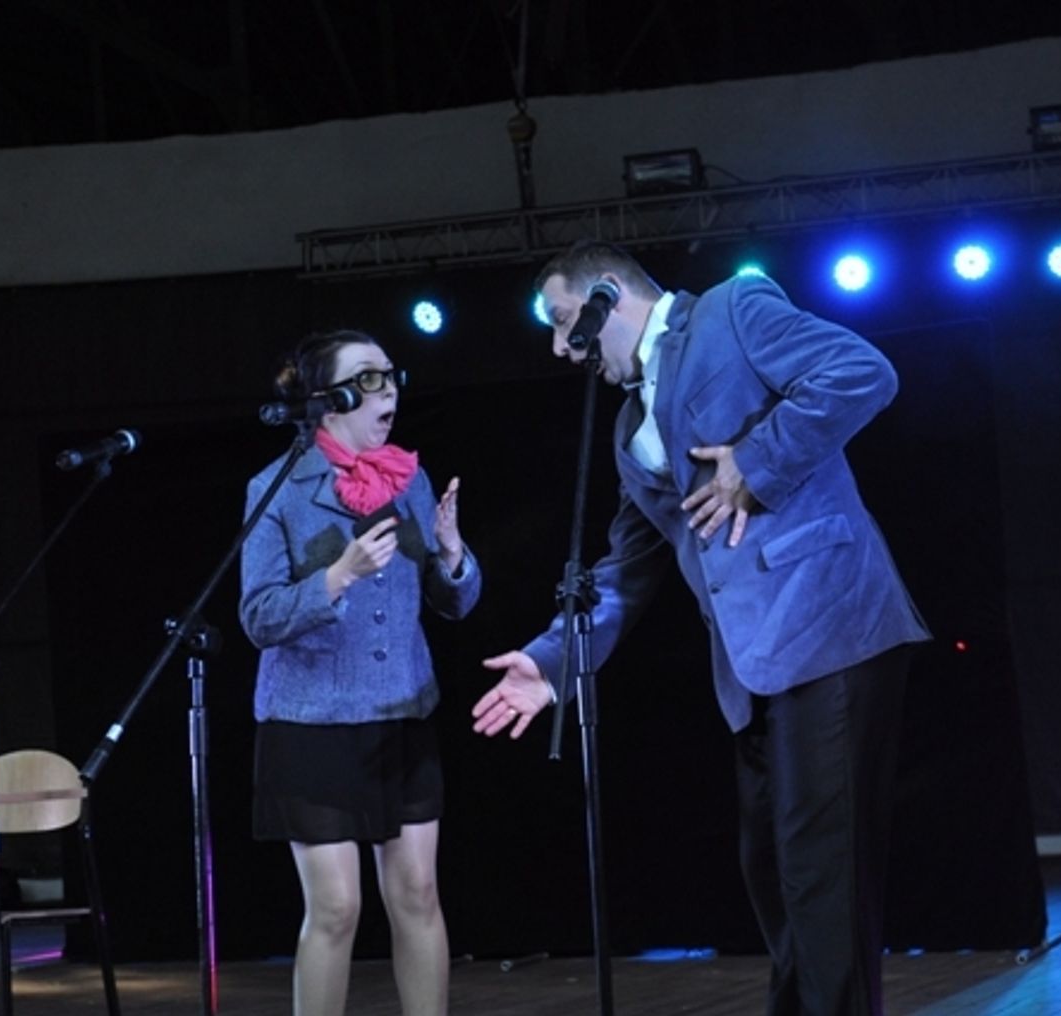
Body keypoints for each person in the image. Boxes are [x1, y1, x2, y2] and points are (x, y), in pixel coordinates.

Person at [471, 241, 930, 1015]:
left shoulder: (730, 312)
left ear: (607, 294)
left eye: (562, 320)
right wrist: (553, 662)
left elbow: (862, 371)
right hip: (753, 666)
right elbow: (626, 567)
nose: (560, 347)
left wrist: (757, 459)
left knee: (822, 872)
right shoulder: (629, 429)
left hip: (830, 623)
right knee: (772, 869)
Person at [240, 329, 480, 1016]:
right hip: (312, 722)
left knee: (418, 894)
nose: (389, 390)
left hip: (402, 713)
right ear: (331, 399)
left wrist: (453, 557)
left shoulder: (411, 480)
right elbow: (258, 616)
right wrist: (336, 577)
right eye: (369, 378)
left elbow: (451, 602)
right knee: (337, 908)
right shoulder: (277, 489)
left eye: (390, 375)